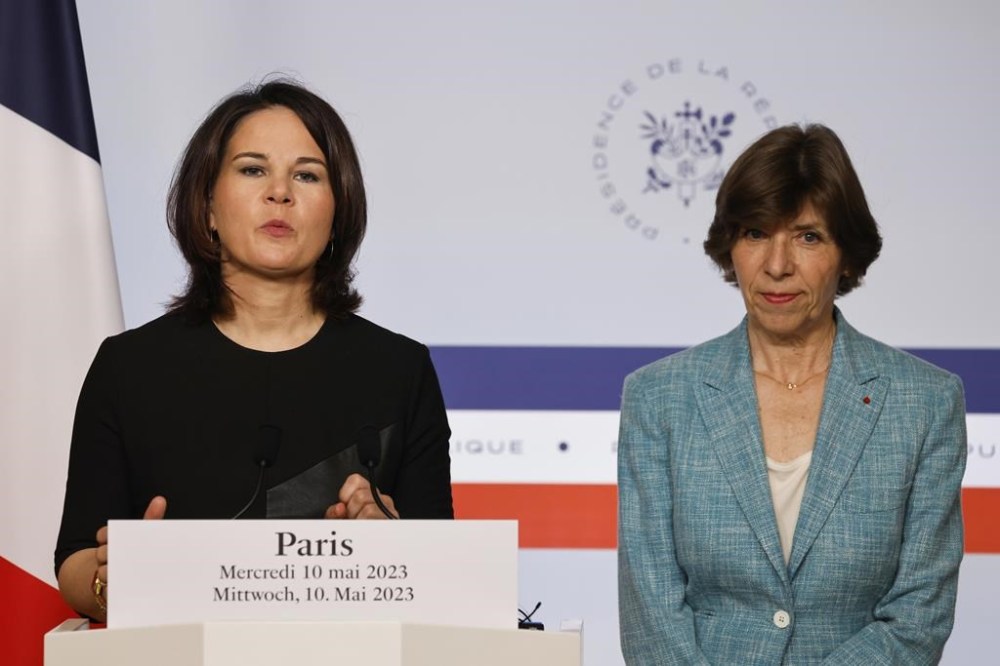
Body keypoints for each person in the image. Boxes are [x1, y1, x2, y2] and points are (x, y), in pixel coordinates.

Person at [55, 80, 453, 620]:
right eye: (252, 169)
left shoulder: (400, 370)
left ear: (337, 216)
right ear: (207, 206)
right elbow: (76, 558)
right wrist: (113, 580)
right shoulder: (129, 367)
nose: (280, 193)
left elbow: (447, 578)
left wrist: (397, 552)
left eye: (307, 174)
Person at [617, 124, 967, 664]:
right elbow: (652, 615)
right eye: (756, 233)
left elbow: (918, 617)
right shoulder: (659, 398)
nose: (777, 265)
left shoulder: (925, 403)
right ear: (730, 248)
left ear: (847, 255)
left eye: (808, 236)